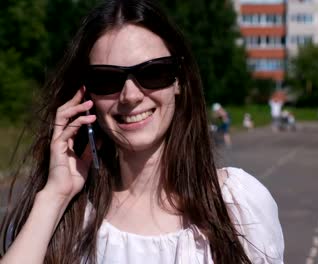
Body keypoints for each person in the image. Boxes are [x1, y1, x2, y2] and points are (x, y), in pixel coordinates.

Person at [0, 1, 284, 263]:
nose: (130, 95)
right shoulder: (64, 218)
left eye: (153, 73)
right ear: (85, 96)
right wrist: (56, 195)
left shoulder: (236, 205)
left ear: (179, 81)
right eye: (107, 79)